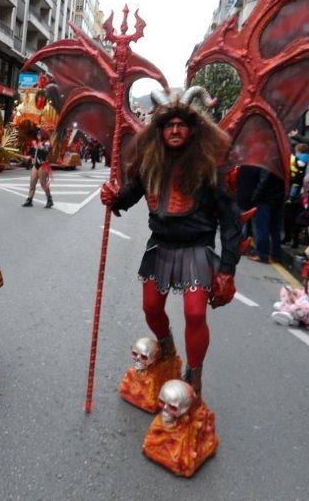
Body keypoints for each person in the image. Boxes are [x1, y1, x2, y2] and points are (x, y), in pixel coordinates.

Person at [100, 91, 240, 396]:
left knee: (194, 313)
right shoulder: (150, 163)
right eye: (169, 126)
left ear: (192, 130)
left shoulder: (209, 166)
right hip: (159, 247)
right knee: (151, 308)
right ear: (160, 131)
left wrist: (227, 269)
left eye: (181, 125)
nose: (175, 130)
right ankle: (168, 351)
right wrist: (113, 198)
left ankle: (195, 376)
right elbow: (129, 195)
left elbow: (231, 221)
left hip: (197, 249)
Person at [247, 168, 283, 264]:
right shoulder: (282, 164)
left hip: (265, 200)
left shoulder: (267, 165)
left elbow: (263, 182)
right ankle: (276, 255)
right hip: (278, 200)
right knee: (275, 230)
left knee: (262, 229)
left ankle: (262, 255)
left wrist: (254, 197)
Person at [282, 143, 309, 248]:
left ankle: (288, 237)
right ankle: (294, 239)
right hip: (303, 194)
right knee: (297, 218)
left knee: (288, 217)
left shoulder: (295, 160)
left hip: (293, 193)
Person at [21, 130, 53, 208]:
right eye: (38, 134)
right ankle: (29, 200)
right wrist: (29, 156)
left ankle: (49, 199)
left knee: (43, 184)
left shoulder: (47, 143)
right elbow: (34, 153)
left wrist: (40, 146)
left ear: (43, 135)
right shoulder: (36, 143)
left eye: (40, 134)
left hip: (42, 165)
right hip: (35, 165)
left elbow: (46, 152)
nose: (38, 135)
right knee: (32, 183)